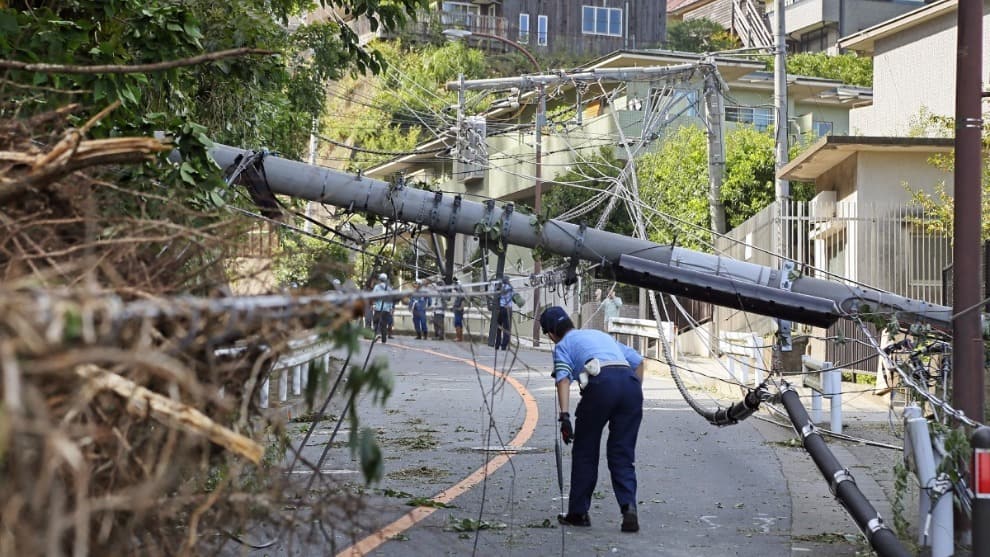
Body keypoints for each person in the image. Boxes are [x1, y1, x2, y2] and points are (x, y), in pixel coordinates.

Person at [539, 305, 644, 533]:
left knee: (585, 450)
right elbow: (638, 361)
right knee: (622, 452)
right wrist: (633, 392)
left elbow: (563, 379)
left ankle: (578, 513)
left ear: (550, 334)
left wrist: (564, 416)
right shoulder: (598, 334)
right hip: (630, 386)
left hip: (601, 386)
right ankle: (629, 508)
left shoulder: (562, 346)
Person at [372, 273, 394, 344]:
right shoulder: (389, 288)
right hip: (386, 309)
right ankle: (384, 340)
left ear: (380, 279)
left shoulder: (377, 287)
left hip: (378, 308)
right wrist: (391, 308)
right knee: (384, 324)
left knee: (376, 321)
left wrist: (373, 304)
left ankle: (377, 334)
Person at [495, 276, 513, 350]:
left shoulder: (500, 288)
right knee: (507, 328)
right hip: (508, 309)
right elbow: (514, 296)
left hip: (500, 309)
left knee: (498, 327)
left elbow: (496, 294)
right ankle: (504, 345)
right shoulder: (510, 288)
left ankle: (497, 344)